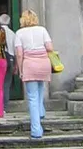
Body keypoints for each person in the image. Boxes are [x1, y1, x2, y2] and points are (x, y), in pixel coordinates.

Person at [15, 9, 55, 140]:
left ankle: (36, 130)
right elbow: (49, 47)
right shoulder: (42, 30)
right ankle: (41, 112)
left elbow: (19, 54)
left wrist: (20, 70)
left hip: (29, 64)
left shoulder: (19, 33)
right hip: (43, 62)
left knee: (32, 96)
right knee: (40, 89)